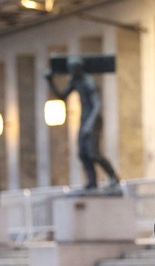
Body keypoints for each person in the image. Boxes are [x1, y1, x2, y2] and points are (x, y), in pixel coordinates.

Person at [45, 55, 119, 190]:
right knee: (82, 154)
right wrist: (50, 81)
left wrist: (90, 124)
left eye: (73, 69)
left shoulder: (89, 82)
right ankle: (92, 182)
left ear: (79, 68)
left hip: (93, 120)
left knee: (94, 154)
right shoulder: (76, 81)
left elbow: (97, 105)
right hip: (84, 119)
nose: (71, 72)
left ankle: (113, 177)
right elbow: (61, 96)